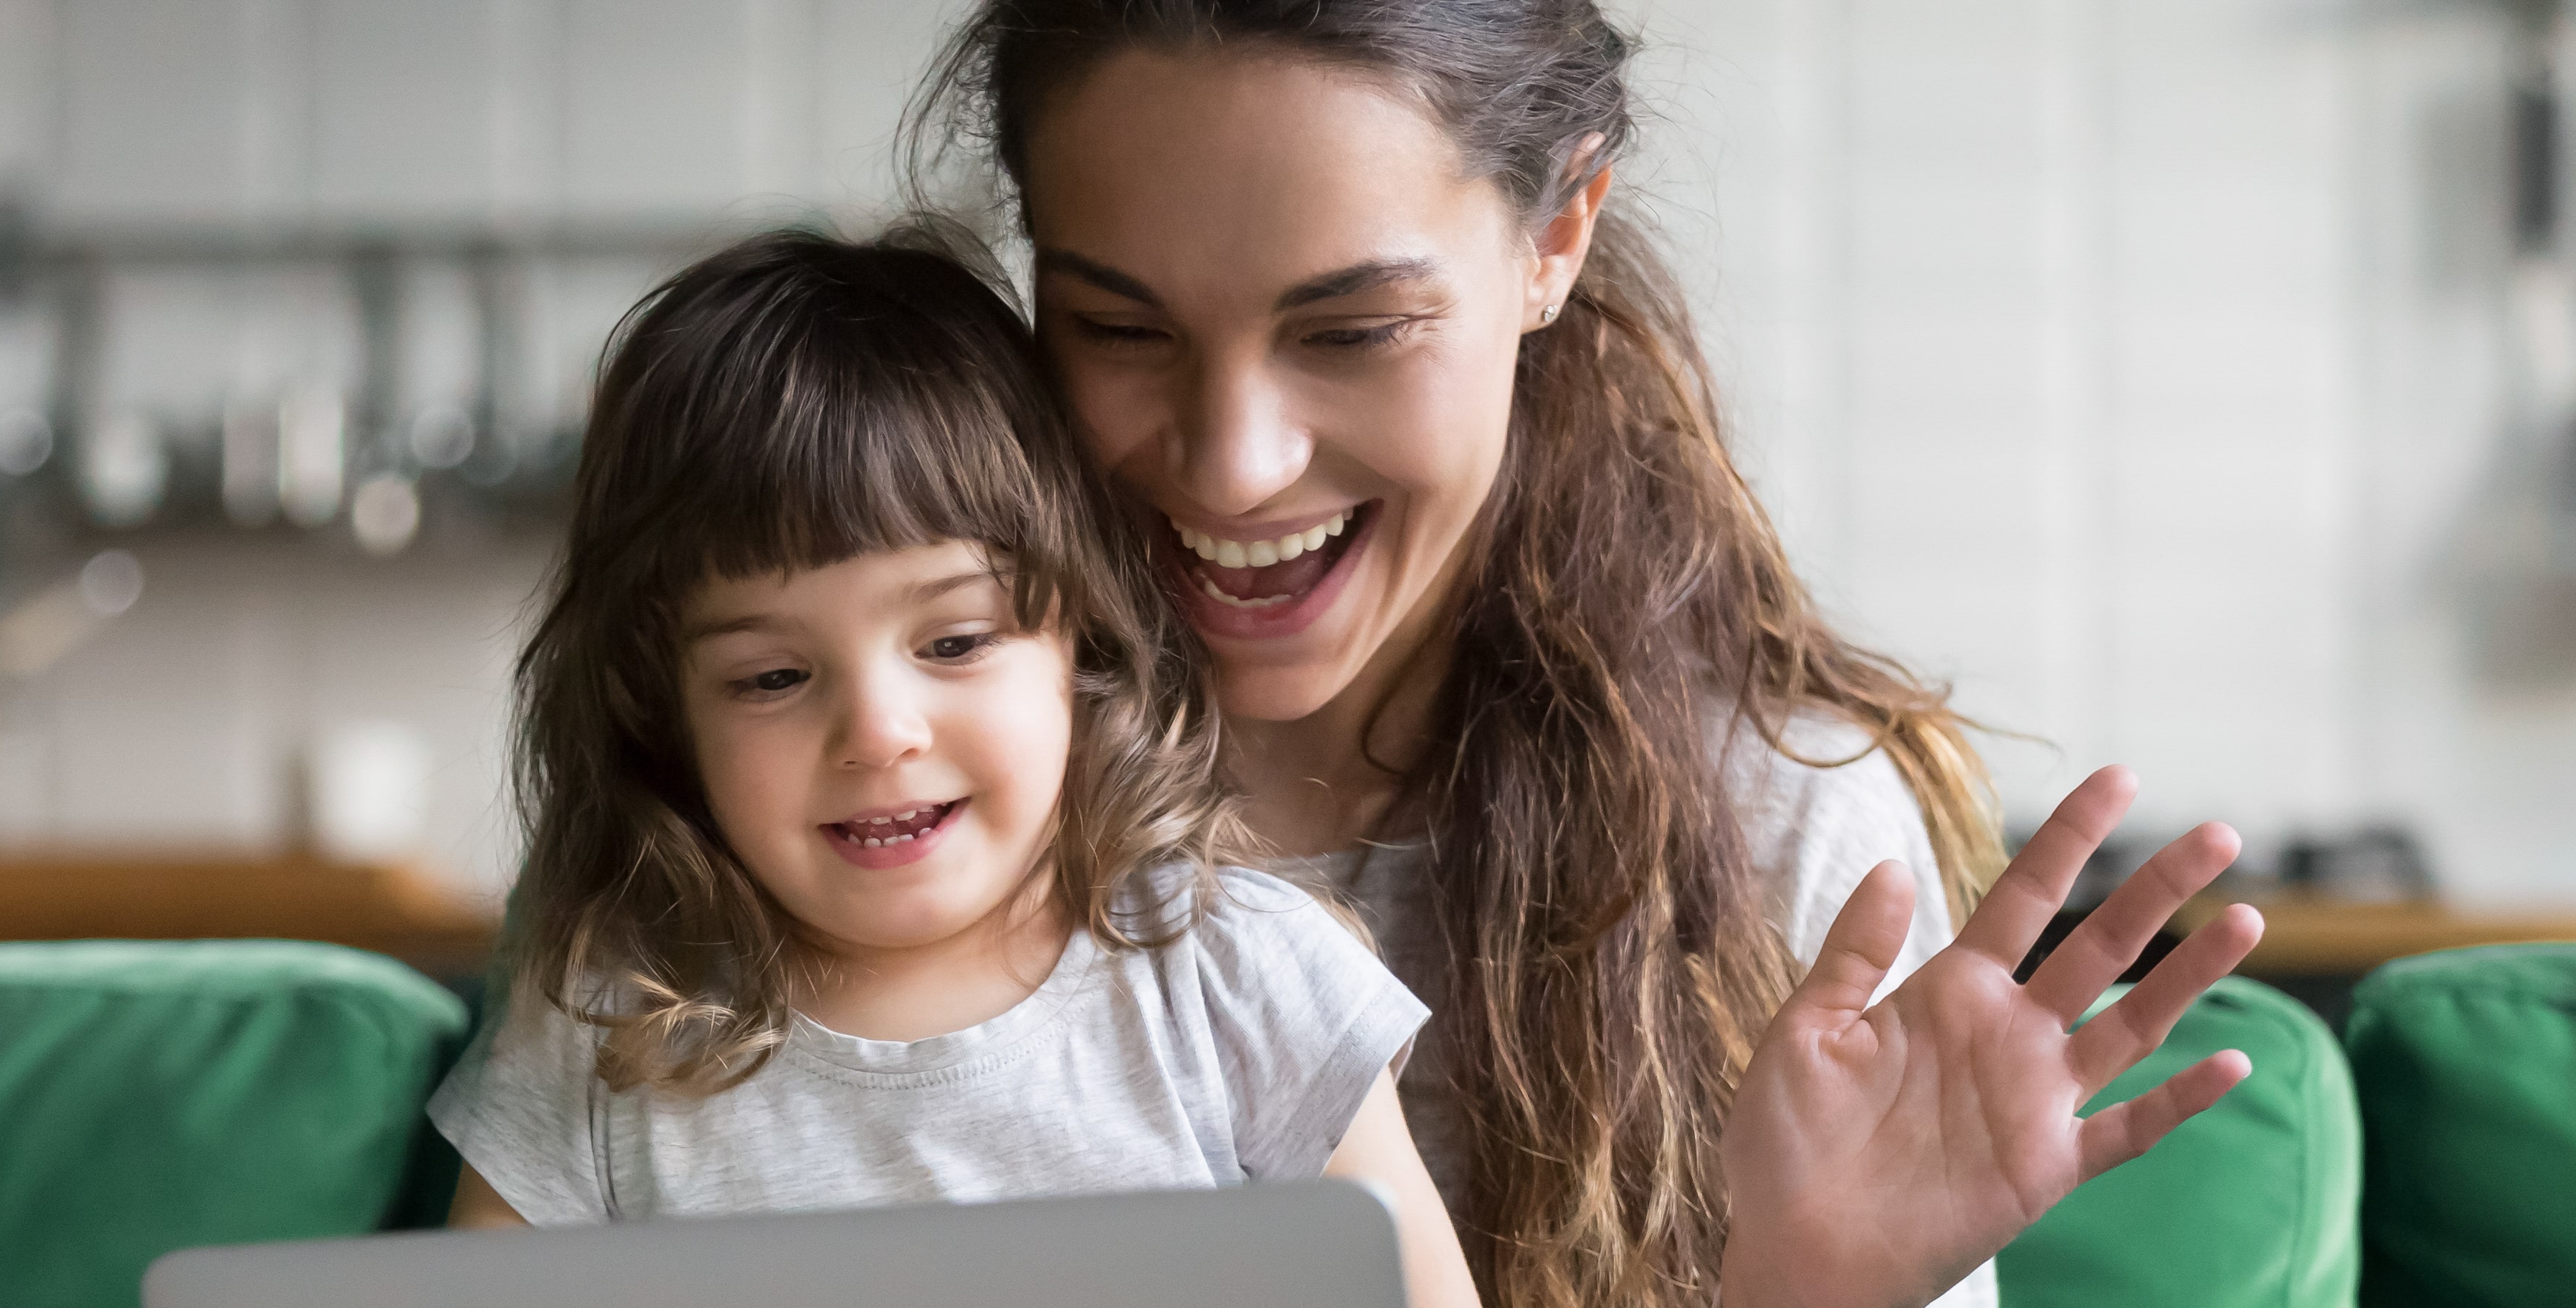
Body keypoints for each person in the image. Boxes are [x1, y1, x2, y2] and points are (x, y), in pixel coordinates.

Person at [907, 4, 2267, 1307]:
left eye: (1353, 332)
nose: (1233, 460)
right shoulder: (874, 789)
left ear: (1556, 235)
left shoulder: (1776, 825)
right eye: (1122, 330)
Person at [424, 228, 1486, 1308]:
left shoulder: (1236, 977)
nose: (880, 732)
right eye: (773, 676)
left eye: (955, 642)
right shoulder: (611, 1027)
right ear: (664, 713)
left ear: (1079, 633)